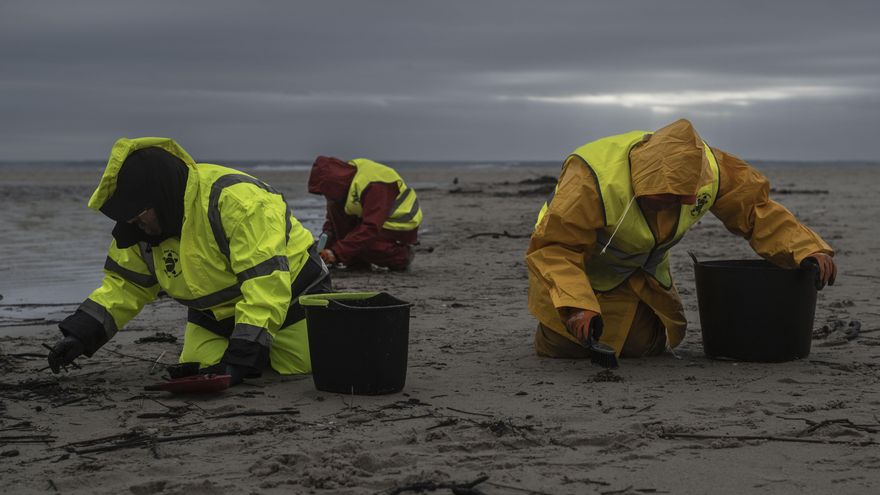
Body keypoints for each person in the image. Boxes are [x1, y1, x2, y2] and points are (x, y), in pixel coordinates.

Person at [526, 119, 837, 360]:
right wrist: (576, 305)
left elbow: (756, 210)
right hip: (574, 272)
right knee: (567, 346)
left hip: (638, 276)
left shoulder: (711, 170)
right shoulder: (592, 179)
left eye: (684, 197)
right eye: (666, 197)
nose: (677, 205)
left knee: (640, 348)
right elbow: (555, 248)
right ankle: (565, 319)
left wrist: (806, 248)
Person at [46, 137, 330, 384]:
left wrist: (243, 354)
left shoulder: (237, 202)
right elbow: (125, 286)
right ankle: (251, 344)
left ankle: (273, 340)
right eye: (129, 217)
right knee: (202, 366)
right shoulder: (142, 228)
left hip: (294, 297)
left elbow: (266, 286)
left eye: (139, 215)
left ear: (160, 195)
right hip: (214, 314)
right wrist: (80, 336)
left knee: (297, 366)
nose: (134, 223)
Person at [307, 156, 422, 271]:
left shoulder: (376, 184)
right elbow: (333, 221)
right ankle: (356, 260)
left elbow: (371, 227)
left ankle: (401, 255)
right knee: (336, 209)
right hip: (373, 219)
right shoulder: (345, 180)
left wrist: (335, 253)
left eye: (327, 192)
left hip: (398, 226)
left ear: (333, 185)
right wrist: (326, 240)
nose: (327, 196)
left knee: (365, 244)